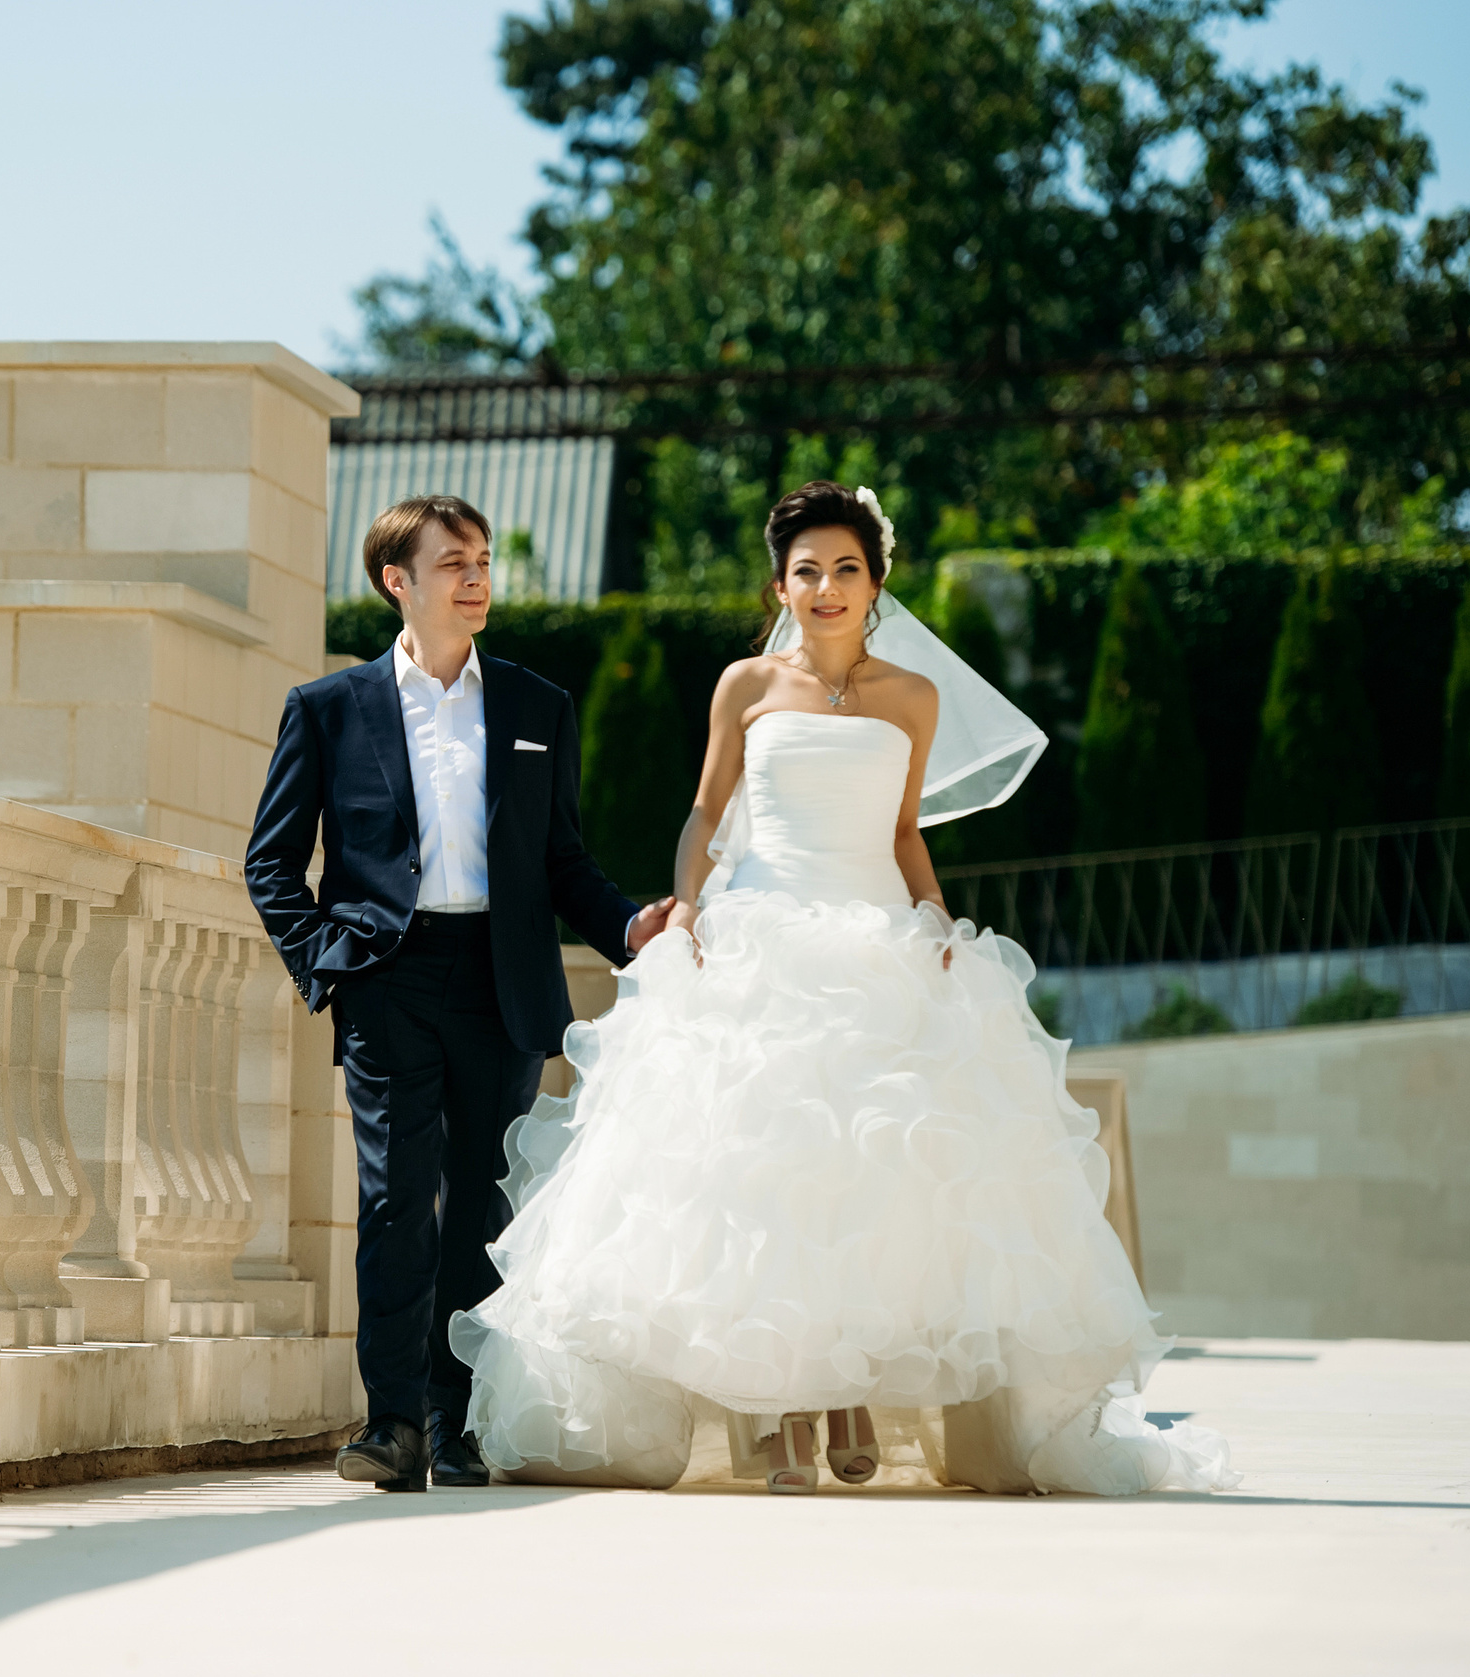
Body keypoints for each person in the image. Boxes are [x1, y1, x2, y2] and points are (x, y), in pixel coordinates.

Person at [450, 481, 1239, 1497]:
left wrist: (938, 923)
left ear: (877, 581)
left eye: (847, 568)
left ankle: (851, 1394)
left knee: (872, 1181)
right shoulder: (743, 683)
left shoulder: (912, 695)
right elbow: (704, 814)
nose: (826, 587)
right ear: (780, 583)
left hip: (876, 938)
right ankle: (775, 1419)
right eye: (807, 570)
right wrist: (688, 904)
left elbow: (904, 830)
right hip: (761, 933)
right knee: (760, 1177)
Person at [245, 494, 673, 1493]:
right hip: (386, 977)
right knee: (397, 1199)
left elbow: (562, 860)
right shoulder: (327, 709)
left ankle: (460, 1419)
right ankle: (392, 1422)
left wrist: (625, 928)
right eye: (452, 562)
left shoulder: (536, 706)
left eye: (481, 558)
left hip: (502, 978)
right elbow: (271, 862)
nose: (475, 576)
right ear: (398, 580)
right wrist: (326, 964)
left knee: (481, 1203)